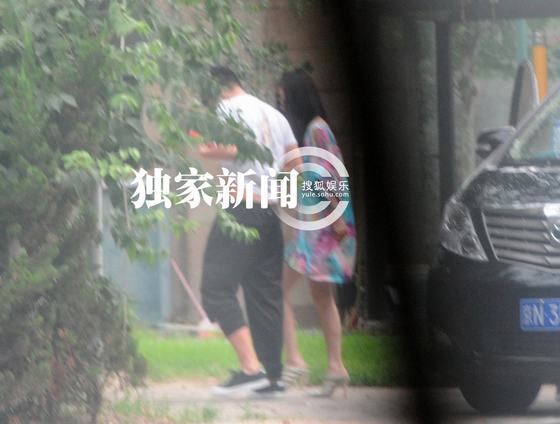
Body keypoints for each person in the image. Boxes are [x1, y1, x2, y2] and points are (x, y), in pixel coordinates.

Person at [199, 66, 299, 397]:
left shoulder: (226, 109)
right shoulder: (273, 114)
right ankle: (273, 377)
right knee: (265, 293)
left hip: (240, 209)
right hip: (269, 213)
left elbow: (233, 149)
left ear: (216, 88)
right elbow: (295, 162)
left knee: (215, 287)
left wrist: (202, 147)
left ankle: (250, 368)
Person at [276, 69, 357, 398]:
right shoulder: (313, 129)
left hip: (321, 229)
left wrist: (336, 219)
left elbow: (324, 177)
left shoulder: (316, 129)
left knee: (277, 290)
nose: (281, 104)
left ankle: (296, 362)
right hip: (318, 226)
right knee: (323, 298)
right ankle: (335, 368)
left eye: (283, 97)